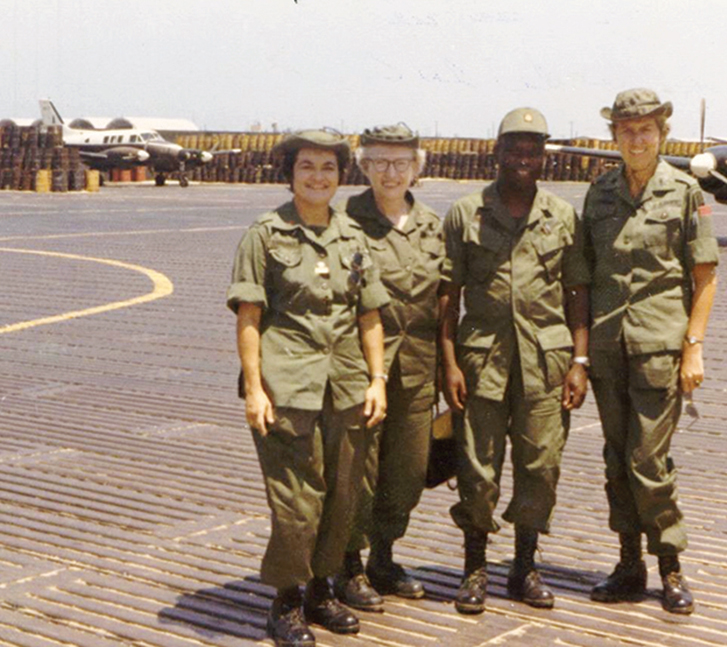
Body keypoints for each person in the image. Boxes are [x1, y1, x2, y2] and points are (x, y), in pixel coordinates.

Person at [227, 130, 389, 645]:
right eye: (307, 167)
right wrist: (254, 389)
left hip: (345, 385)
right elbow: (249, 317)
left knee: (343, 496)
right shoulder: (266, 234)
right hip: (286, 386)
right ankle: (287, 600)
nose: (318, 177)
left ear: (342, 177)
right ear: (290, 173)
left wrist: (378, 379)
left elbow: (369, 316)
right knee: (297, 503)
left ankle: (322, 590)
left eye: (328, 167)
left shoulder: (354, 238)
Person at [439, 107, 590, 614]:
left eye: (533, 150)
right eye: (514, 149)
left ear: (543, 155)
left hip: (546, 363)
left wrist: (580, 361)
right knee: (478, 469)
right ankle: (475, 567)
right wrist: (449, 363)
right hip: (481, 360)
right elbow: (448, 295)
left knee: (541, 466)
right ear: (496, 152)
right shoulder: (466, 214)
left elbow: (577, 293)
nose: (524, 159)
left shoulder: (563, 215)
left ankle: (524, 566)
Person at [582, 89, 719, 615]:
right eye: (627, 130)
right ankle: (628, 563)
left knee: (648, 459)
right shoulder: (599, 195)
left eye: (647, 130)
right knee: (617, 459)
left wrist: (694, 348)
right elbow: (584, 274)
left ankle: (670, 564)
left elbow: (704, 276)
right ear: (614, 136)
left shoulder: (685, 192)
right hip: (608, 346)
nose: (637, 139)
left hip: (661, 346)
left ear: (662, 134)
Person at [335, 123, 442, 612]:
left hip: (419, 366)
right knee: (360, 469)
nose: (390, 172)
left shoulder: (433, 226)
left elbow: (447, 299)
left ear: (417, 168)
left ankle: (384, 556)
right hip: (361, 367)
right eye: (378, 161)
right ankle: (349, 564)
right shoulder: (342, 222)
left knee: (407, 469)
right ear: (364, 167)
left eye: (401, 162)